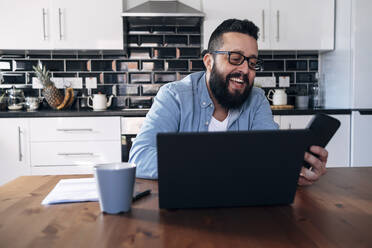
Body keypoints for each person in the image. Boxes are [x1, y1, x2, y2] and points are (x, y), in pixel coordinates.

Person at [129, 19, 328, 186]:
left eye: (252, 62)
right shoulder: (174, 96)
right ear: (208, 62)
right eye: (235, 58)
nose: (245, 70)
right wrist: (216, 164)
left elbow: (269, 156)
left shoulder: (257, 100)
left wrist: (293, 170)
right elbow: (140, 158)